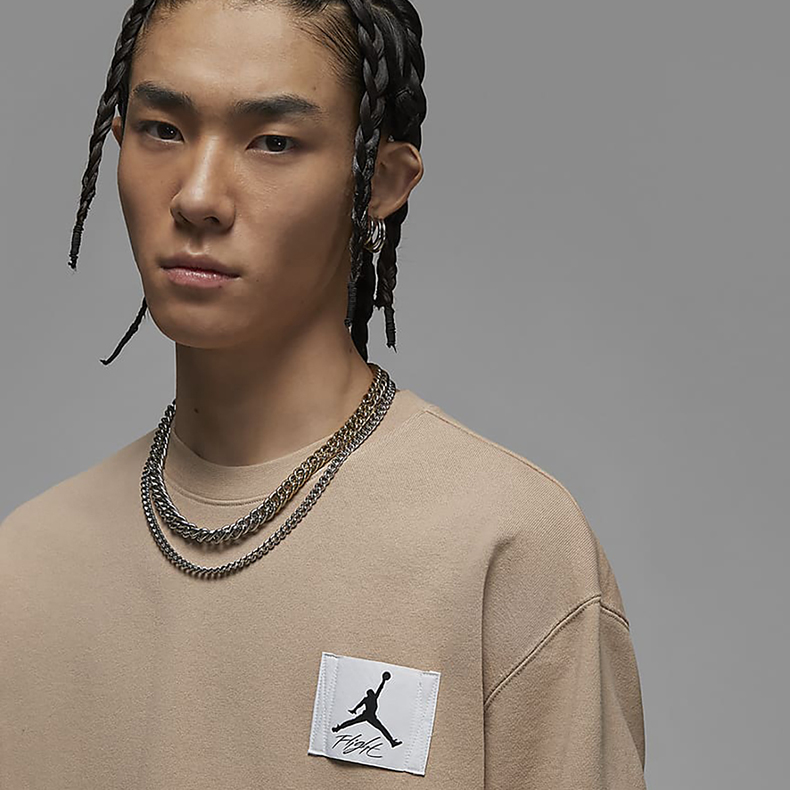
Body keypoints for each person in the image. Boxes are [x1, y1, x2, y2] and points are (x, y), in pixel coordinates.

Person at [0, 1, 647, 787]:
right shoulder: (23, 565)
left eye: (273, 141)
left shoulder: (504, 548)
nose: (197, 196)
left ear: (381, 181)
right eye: (162, 129)